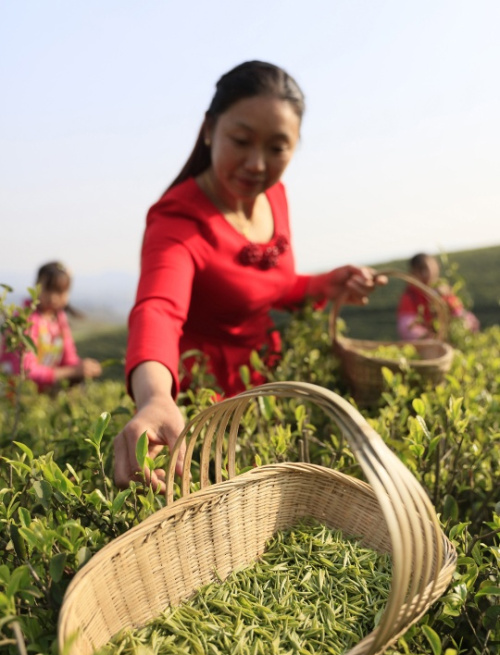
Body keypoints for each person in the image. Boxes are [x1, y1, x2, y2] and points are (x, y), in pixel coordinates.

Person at [113, 60, 386, 490]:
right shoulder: (180, 219)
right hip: (199, 399)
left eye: (277, 148)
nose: (257, 164)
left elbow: (271, 286)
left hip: (262, 384)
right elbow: (158, 310)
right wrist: (154, 397)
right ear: (209, 130)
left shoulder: (274, 197)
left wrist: (326, 284)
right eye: (241, 141)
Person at [0, 261, 102, 391]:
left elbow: (69, 358)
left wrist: (84, 368)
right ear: (37, 286)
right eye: (48, 289)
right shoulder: (25, 320)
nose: (53, 298)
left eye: (59, 292)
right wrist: (72, 372)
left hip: (38, 398)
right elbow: (26, 371)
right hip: (13, 396)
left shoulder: (59, 319)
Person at [397, 252, 480, 340]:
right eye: (420, 270)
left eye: (427, 269)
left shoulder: (444, 292)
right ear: (412, 273)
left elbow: (459, 313)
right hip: (427, 347)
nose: (425, 275)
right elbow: (406, 327)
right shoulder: (410, 296)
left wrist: (466, 325)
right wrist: (430, 337)